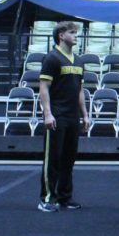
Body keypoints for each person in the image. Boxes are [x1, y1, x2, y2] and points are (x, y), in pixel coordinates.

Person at [37, 21, 91, 212]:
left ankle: (65, 197)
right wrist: (48, 114)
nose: (76, 35)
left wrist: (85, 115)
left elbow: (80, 91)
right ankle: (47, 198)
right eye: (72, 32)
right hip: (57, 116)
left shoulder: (78, 61)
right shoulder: (52, 58)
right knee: (53, 159)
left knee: (69, 159)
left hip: (72, 117)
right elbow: (43, 88)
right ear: (61, 35)